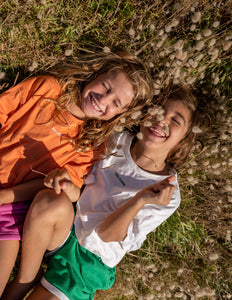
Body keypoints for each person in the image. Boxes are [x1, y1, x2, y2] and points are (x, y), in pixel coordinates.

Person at [2, 82, 200, 300]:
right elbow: (81, 193)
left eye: (175, 121)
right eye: (159, 112)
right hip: (67, 230)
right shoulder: (115, 141)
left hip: (90, 262)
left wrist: (140, 200)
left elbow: (108, 235)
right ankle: (26, 278)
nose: (162, 121)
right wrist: (68, 186)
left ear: (185, 137)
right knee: (50, 201)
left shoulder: (167, 192)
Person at [0, 51, 153, 296]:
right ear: (96, 73)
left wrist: (6, 197)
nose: (103, 100)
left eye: (116, 103)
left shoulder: (92, 145)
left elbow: (53, 187)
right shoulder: (46, 89)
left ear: (120, 114)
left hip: (11, 212)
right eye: (105, 86)